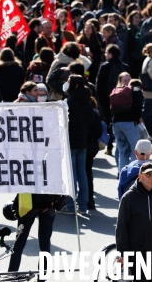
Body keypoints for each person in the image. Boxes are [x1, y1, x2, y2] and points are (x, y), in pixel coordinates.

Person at [116, 162, 152, 281]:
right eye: (148, 175)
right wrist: (124, 253)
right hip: (138, 254)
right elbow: (122, 226)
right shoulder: (129, 198)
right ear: (140, 176)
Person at [5, 193, 65, 277]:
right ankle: (43, 277)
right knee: (45, 243)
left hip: (28, 204)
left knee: (19, 242)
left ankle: (11, 273)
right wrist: (55, 201)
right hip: (48, 203)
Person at [57, 75, 93, 215]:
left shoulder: (69, 102)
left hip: (70, 142)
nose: (67, 84)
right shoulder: (88, 100)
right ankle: (83, 206)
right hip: (82, 142)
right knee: (82, 174)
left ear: (75, 85)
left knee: (70, 176)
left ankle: (71, 206)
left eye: (69, 82)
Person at [111, 72, 143, 172]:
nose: (128, 82)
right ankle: (132, 175)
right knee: (135, 150)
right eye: (126, 80)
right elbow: (138, 107)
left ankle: (122, 176)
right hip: (129, 122)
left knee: (122, 151)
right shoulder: (134, 90)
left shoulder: (115, 91)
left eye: (129, 80)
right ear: (120, 81)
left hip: (116, 122)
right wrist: (138, 119)